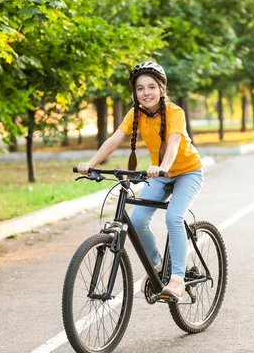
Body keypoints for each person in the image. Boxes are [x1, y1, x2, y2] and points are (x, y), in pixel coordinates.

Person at [76, 61, 203, 298]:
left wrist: (163, 167)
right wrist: (91, 164)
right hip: (160, 174)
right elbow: (114, 140)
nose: (146, 93)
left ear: (162, 88)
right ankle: (157, 265)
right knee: (136, 220)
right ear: (135, 92)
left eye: (151, 87)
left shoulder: (175, 112)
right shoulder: (135, 114)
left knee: (174, 217)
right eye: (140, 88)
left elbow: (174, 143)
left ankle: (177, 278)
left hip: (188, 172)